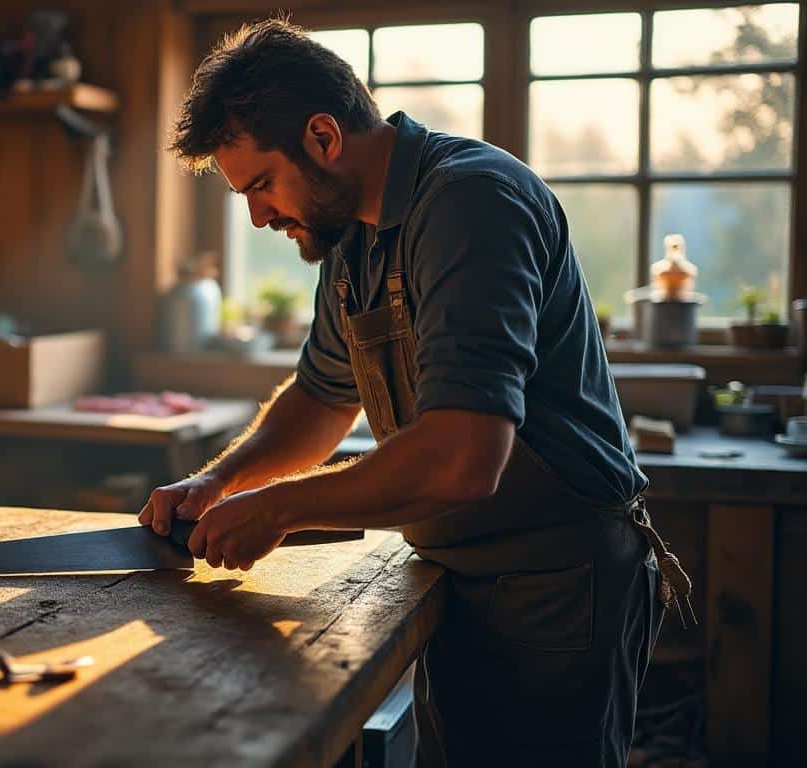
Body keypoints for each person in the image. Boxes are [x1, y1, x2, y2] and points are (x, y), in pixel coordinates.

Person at [138, 18, 687, 767]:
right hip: (451, 573)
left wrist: (279, 509)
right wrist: (220, 480)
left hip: (558, 587)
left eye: (262, 184)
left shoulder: (471, 204)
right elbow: (320, 399)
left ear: (324, 138)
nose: (258, 215)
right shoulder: (350, 234)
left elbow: (464, 460)